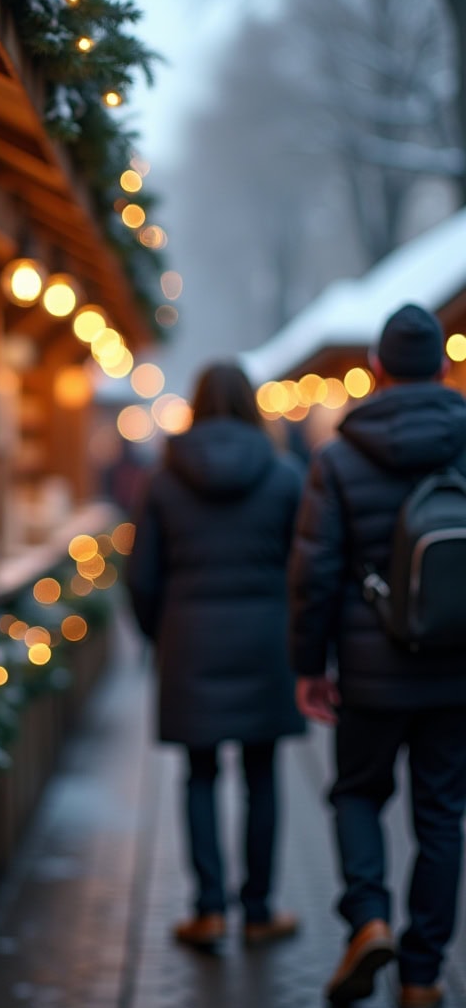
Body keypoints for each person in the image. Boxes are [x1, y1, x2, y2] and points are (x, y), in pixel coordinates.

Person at [289, 304, 466, 1008]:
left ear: (375, 371)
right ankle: (422, 974)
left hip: (369, 667)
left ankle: (368, 918)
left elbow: (315, 572)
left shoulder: (338, 457)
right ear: (446, 368)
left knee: (358, 792)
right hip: (456, 664)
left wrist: (309, 665)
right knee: (442, 814)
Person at [127, 361, 305, 948]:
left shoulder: (164, 478)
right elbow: (306, 569)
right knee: (263, 776)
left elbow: (142, 577)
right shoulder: (283, 476)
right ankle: (258, 911)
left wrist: (162, 635)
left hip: (190, 639)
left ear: (195, 406)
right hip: (265, 641)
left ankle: (208, 910)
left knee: (199, 775)